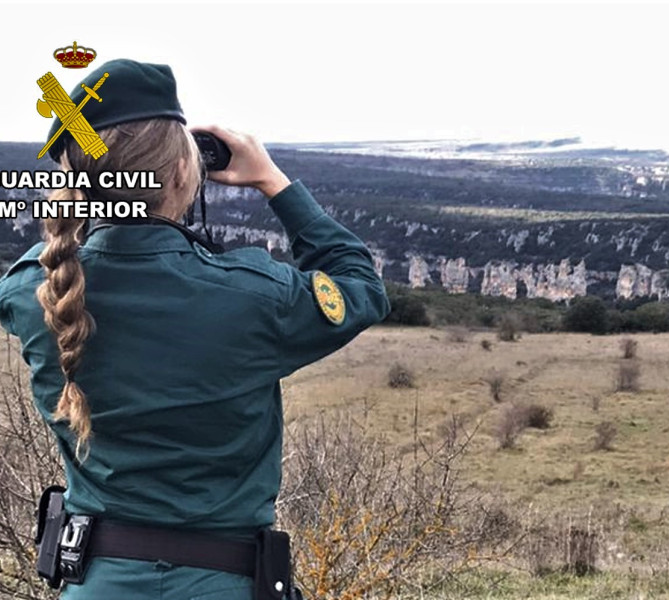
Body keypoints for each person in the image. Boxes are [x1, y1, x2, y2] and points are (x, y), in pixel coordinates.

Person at [0, 59, 391, 599]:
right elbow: (361, 286)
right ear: (185, 174)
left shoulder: (32, 293)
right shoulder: (254, 294)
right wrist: (273, 181)